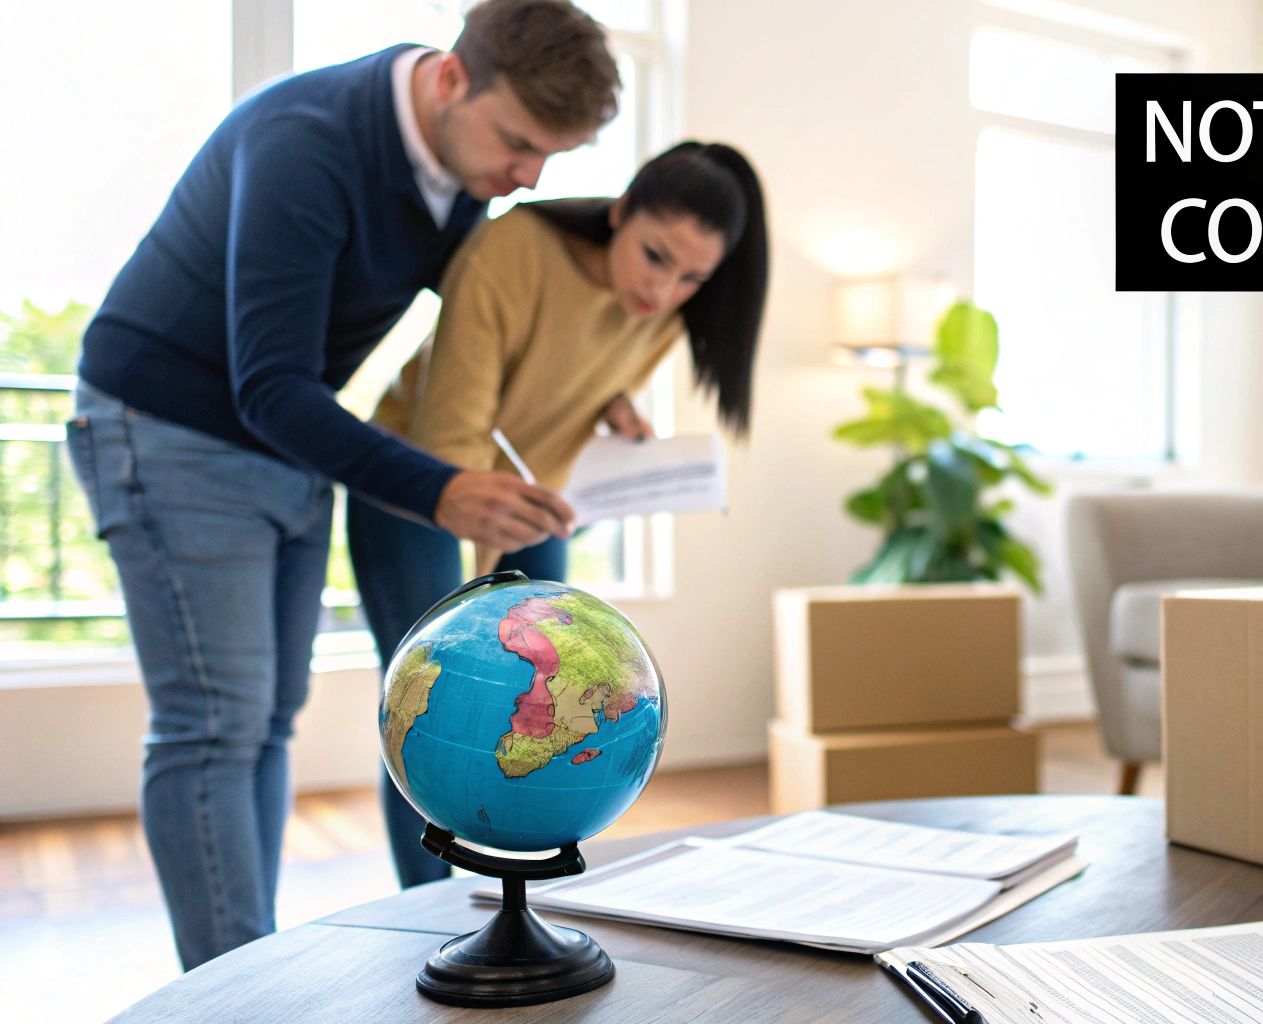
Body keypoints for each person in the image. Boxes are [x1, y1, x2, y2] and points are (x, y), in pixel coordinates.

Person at [65, 0, 619, 970]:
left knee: (268, 715)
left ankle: (245, 964)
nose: (527, 178)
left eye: (549, 160)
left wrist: (595, 386)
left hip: (282, 437)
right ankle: (235, 990)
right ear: (452, 79)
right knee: (215, 721)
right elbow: (269, 380)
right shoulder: (305, 143)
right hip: (166, 423)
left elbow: (499, 314)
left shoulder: (459, 172)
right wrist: (442, 491)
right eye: (521, 143)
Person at [349, 141, 768, 887]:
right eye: (654, 256)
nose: (664, 289)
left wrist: (614, 407)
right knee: (427, 699)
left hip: (532, 495)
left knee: (564, 690)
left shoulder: (666, 314)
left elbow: (576, 363)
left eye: (692, 277)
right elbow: (453, 437)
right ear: (618, 214)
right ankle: (427, 909)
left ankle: (515, 891)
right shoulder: (511, 249)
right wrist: (484, 562)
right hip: (415, 483)